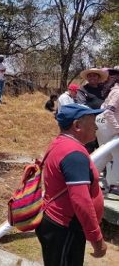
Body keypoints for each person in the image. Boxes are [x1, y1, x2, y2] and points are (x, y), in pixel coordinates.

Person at [36, 104, 107, 265]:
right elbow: (81, 201)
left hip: (56, 223)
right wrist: (96, 238)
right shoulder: (74, 155)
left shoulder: (60, 143)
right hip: (65, 228)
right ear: (77, 126)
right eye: (92, 122)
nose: (96, 126)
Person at [95, 74, 119, 194]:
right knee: (116, 155)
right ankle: (115, 184)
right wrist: (117, 128)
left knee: (106, 155)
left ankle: (92, 179)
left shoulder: (114, 90)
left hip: (103, 125)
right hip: (108, 126)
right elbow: (109, 111)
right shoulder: (118, 92)